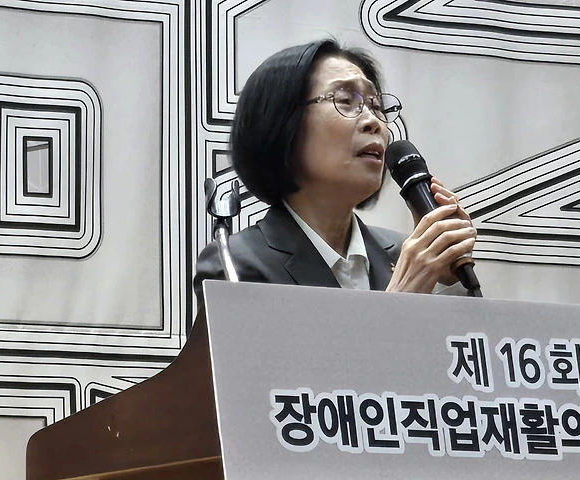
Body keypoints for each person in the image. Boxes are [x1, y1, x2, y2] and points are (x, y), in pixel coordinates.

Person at [193, 38, 477, 305]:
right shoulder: (235, 264)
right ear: (281, 124)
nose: (373, 122)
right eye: (345, 100)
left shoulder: (407, 253)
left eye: (376, 106)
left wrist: (448, 278)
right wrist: (402, 298)